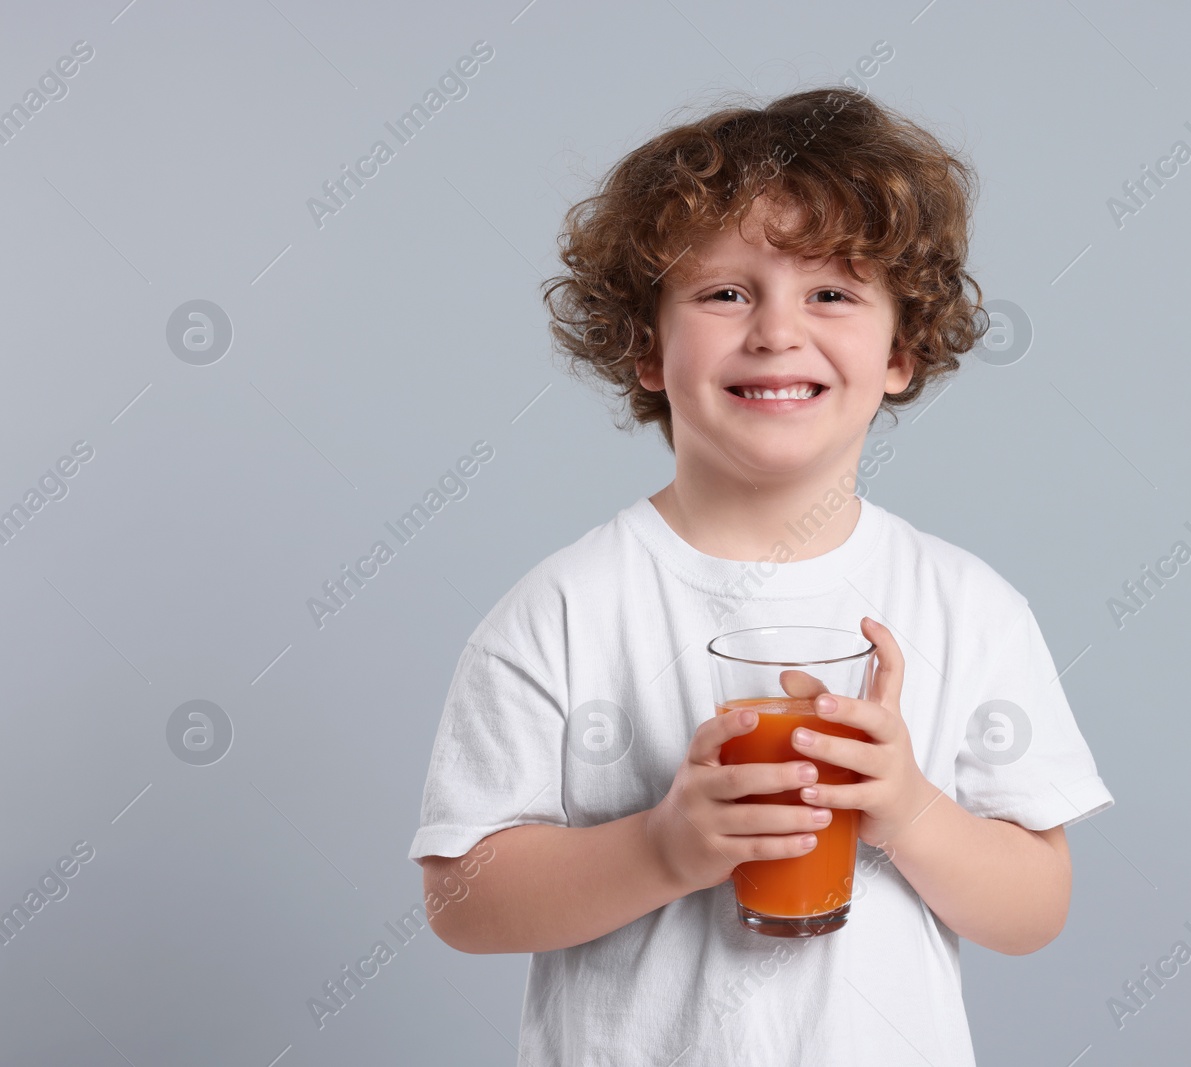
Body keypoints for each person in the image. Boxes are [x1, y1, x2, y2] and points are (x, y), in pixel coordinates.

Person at [408, 85, 1114, 1066]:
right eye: (725, 291)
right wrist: (661, 846)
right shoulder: (563, 608)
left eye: (831, 292)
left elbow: (1034, 907)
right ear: (646, 347)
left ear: (901, 349)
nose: (777, 331)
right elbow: (459, 900)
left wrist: (909, 809)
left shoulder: (968, 606)